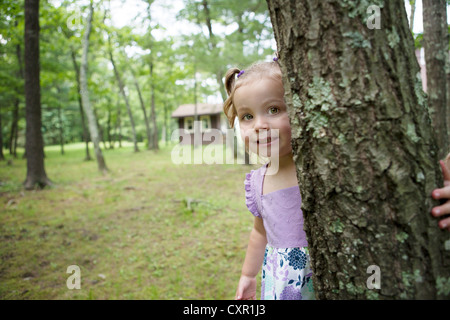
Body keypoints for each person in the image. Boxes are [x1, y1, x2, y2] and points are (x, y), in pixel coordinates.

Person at [223, 59, 450, 300]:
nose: (259, 125)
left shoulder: (325, 166)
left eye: (274, 109)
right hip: (284, 286)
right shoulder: (258, 182)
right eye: (247, 116)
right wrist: (248, 275)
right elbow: (260, 233)